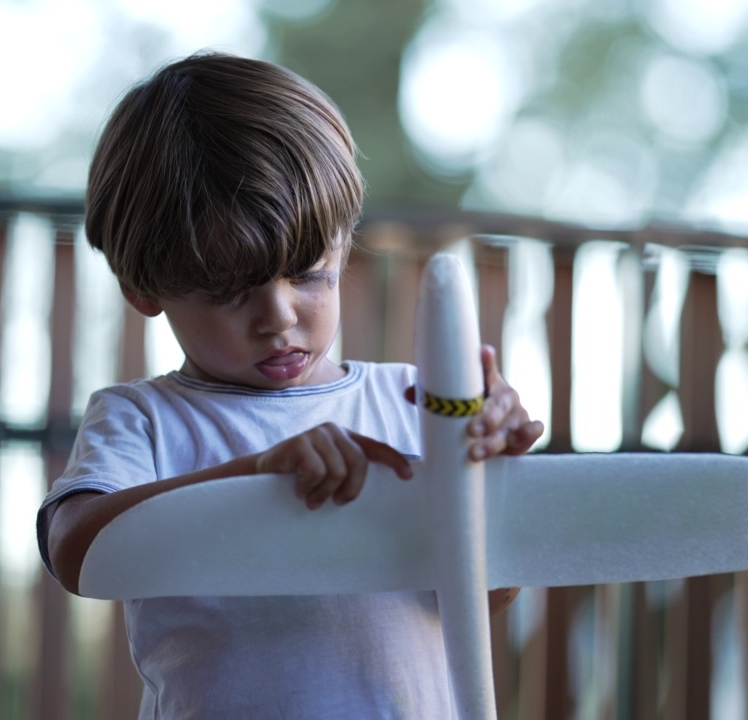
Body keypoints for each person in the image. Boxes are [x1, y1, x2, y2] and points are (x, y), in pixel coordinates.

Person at [38, 51, 544, 718]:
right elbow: (77, 553)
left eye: (310, 273)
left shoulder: (413, 404)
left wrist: (490, 483)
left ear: (344, 243)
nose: (278, 317)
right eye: (228, 289)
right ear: (144, 287)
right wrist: (254, 479)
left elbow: (484, 598)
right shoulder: (146, 419)